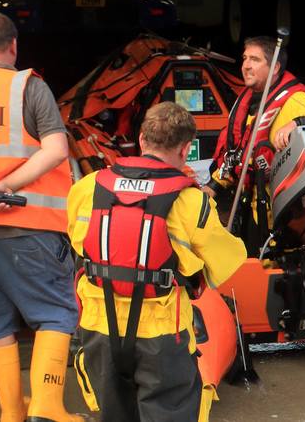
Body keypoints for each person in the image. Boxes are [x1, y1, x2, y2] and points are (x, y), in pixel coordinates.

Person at [67, 101, 247, 421]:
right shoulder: (192, 201)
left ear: (141, 139)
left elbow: (80, 244)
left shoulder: (87, 187)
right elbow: (226, 262)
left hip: (98, 327)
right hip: (161, 335)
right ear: (187, 148)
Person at [0, 11, 82, 421]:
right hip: (30, 224)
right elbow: (56, 150)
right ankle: (48, 409)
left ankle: (11, 413)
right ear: (14, 45)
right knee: (54, 312)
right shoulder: (28, 87)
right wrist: (8, 186)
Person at [205, 36, 305, 252]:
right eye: (245, 58)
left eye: (255, 60)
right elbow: (240, 152)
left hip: (275, 218)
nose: (246, 65)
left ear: (275, 68)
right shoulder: (249, 100)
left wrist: (298, 123)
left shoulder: (295, 102)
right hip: (248, 204)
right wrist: (214, 186)